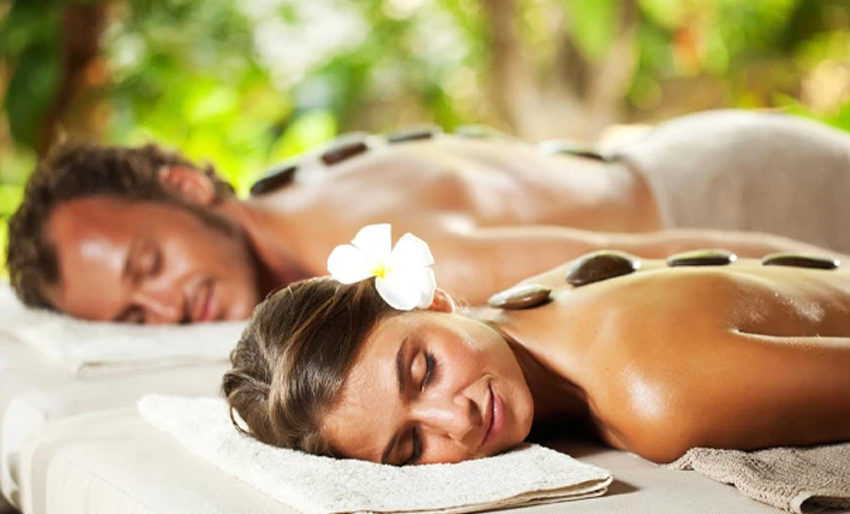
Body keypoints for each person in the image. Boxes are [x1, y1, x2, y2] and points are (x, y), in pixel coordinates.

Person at [7, 109, 850, 324]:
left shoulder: (380, 251)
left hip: (746, 197)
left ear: (185, 187)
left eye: (148, 266)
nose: (165, 307)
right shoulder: (297, 186)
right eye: (133, 314)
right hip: (689, 151)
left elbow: (678, 257)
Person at [222, 227, 850, 465]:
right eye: (411, 447)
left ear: (432, 300)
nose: (457, 422)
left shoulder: (656, 394)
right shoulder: (524, 304)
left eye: (425, 369)